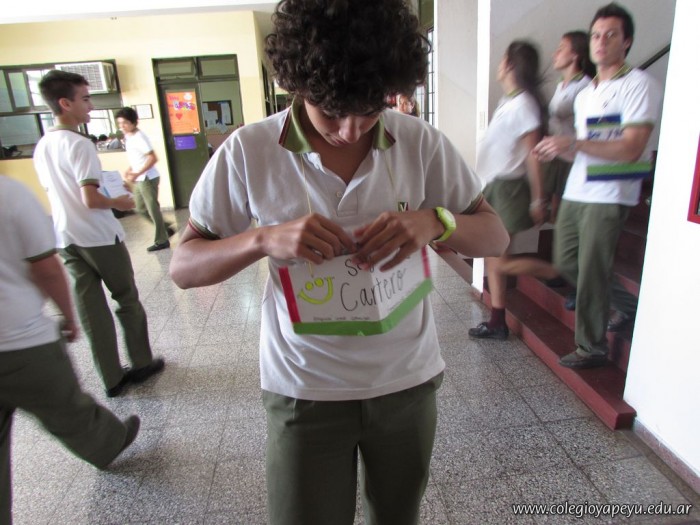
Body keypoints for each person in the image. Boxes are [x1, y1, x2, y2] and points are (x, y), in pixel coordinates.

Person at [170, 1, 509, 523]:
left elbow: (495, 235)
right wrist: (262, 239)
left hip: (407, 383)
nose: (350, 131)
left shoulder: (419, 143)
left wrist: (435, 222)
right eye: (331, 112)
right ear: (297, 85)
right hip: (304, 389)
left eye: (369, 110)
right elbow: (184, 267)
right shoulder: (249, 151)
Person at [0, 175, 140, 525]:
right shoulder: (10, 193)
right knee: (66, 404)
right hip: (20, 339)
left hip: (69, 241)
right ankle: (109, 441)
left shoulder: (42, 153)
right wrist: (67, 315)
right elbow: (46, 269)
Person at [530, 3, 661, 368]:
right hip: (578, 188)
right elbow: (590, 144)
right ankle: (631, 306)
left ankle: (592, 347)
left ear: (627, 42)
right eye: (596, 35)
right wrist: (559, 148)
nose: (601, 42)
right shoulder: (587, 93)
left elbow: (632, 147)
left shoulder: (640, 85)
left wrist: (574, 143)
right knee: (566, 261)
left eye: (611, 35)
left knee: (591, 270)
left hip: (611, 192)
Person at [33, 70, 165, 397]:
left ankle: (111, 378)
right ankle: (141, 362)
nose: (91, 106)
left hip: (66, 237)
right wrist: (119, 201)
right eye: (86, 98)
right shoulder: (80, 144)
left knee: (91, 311)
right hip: (99, 237)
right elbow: (90, 199)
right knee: (126, 299)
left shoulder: (43, 144)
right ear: (65, 103)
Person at [468, 41, 547, 341]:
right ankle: (497, 321)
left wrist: (538, 199)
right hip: (494, 187)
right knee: (493, 256)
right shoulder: (509, 101)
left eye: (503, 59)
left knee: (500, 258)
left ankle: (557, 271)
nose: (499, 64)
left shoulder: (524, 104)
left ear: (511, 65)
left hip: (509, 190)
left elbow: (532, 156)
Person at [545, 31, 595, 221]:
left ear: (575, 55)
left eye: (561, 49)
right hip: (558, 157)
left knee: (563, 216)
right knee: (554, 215)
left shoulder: (584, 86)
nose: (555, 54)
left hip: (572, 158)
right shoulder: (561, 85)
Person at [116, 106, 175, 252]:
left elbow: (152, 158)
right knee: (140, 209)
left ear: (133, 122)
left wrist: (137, 173)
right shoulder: (129, 137)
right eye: (119, 123)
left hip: (148, 178)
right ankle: (165, 228)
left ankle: (162, 240)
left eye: (125, 123)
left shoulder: (140, 137)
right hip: (139, 178)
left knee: (152, 209)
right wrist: (131, 169)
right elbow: (139, 157)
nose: (122, 126)